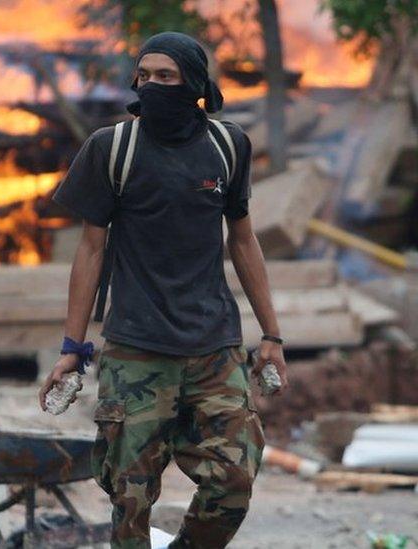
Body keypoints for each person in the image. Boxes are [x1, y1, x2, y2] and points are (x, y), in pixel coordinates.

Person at [39, 32, 288, 549]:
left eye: (165, 76)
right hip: (136, 350)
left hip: (214, 349)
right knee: (130, 499)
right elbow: (89, 252)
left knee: (233, 482)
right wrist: (72, 347)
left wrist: (272, 335)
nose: (150, 85)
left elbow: (243, 240)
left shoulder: (228, 145)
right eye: (144, 75)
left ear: (194, 84)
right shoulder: (113, 149)